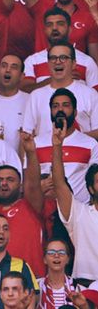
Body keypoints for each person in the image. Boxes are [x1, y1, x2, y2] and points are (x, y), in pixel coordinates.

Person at [51, 115, 98, 281]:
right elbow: (59, 184)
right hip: (85, 286)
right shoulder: (80, 214)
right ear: (91, 188)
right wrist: (57, 146)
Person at [33, 88, 98, 204]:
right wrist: (39, 187)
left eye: (66, 105)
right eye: (55, 106)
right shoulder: (36, 143)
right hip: (45, 212)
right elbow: (28, 182)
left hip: (79, 212)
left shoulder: (90, 144)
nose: (60, 109)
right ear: (50, 112)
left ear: (75, 112)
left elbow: (94, 181)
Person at [23, 42, 98, 139]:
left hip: (80, 152)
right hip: (44, 153)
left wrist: (69, 139)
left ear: (74, 64)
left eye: (63, 57)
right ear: (48, 64)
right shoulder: (35, 96)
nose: (58, 62)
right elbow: (27, 134)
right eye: (53, 58)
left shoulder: (90, 94)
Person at [23, 8, 98, 92]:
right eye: (49, 24)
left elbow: (95, 97)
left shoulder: (87, 62)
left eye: (60, 24)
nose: (54, 28)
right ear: (44, 30)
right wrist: (55, 80)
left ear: (70, 29)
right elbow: (24, 91)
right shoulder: (32, 61)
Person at [37, 239, 74, 309]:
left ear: (68, 259)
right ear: (44, 259)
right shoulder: (37, 286)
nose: (56, 255)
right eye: (51, 252)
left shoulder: (78, 288)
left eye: (61, 252)